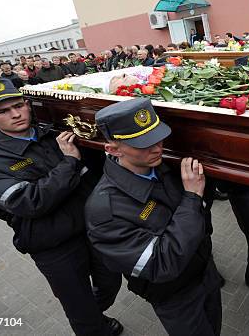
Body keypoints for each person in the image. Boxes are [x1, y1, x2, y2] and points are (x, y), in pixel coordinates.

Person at [0, 79, 123, 336]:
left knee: (110, 281)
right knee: (78, 307)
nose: (15, 114)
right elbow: (31, 202)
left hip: (94, 230)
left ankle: (94, 313)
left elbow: (97, 171)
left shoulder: (56, 134)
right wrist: (70, 162)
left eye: (18, 105)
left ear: (27, 104)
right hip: (54, 246)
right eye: (2, 111)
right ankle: (95, 327)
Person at [85, 98, 222, 336]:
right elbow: (161, 264)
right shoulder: (105, 211)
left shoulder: (161, 166)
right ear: (113, 149)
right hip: (174, 294)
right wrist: (192, 198)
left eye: (157, 137)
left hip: (204, 271)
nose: (157, 147)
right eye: (143, 144)